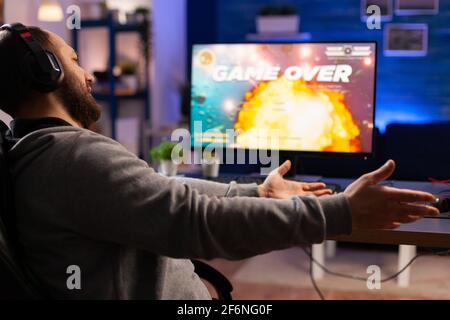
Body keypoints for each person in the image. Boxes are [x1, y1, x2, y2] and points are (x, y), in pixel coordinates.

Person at [0, 25, 439, 299]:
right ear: (47, 72)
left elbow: (166, 194)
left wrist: (258, 192)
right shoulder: (75, 156)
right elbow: (196, 221)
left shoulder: (31, 153)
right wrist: (339, 211)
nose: (89, 74)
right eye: (76, 62)